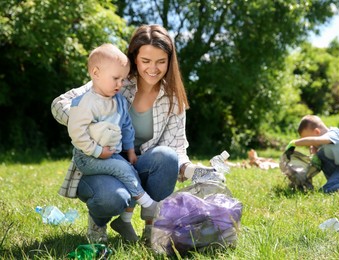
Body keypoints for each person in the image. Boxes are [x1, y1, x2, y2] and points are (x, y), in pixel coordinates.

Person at [51, 24, 217, 244]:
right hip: (102, 164)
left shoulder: (173, 99)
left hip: (138, 165)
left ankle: (152, 228)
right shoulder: (117, 81)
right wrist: (90, 124)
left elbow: (176, 149)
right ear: (134, 59)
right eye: (146, 61)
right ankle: (98, 224)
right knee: (113, 198)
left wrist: (194, 171)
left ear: (170, 61)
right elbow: (59, 104)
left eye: (161, 61)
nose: (153, 69)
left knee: (167, 156)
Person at [68, 43, 158, 242]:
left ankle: (124, 219)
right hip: (88, 157)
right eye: (115, 78)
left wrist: (130, 150)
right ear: (96, 73)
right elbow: (77, 133)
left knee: (131, 171)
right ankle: (147, 203)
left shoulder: (118, 101)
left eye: (122, 79)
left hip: (113, 154)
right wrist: (97, 150)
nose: (120, 84)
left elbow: (126, 126)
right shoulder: (85, 103)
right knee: (123, 169)